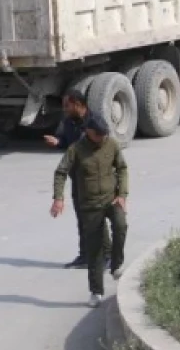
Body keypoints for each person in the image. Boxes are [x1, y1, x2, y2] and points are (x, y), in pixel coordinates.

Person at [50, 113, 128, 308]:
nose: (103, 138)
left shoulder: (111, 145)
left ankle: (116, 264)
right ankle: (96, 291)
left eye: (104, 134)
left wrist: (122, 194)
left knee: (121, 225)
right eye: (99, 135)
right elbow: (61, 172)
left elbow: (122, 168)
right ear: (89, 132)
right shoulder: (76, 149)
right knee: (94, 251)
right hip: (90, 206)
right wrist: (58, 198)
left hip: (111, 199)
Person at [43, 90, 90, 268]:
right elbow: (66, 141)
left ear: (78, 104)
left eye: (67, 105)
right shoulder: (68, 122)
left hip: (94, 177)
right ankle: (84, 255)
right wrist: (58, 142)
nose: (64, 109)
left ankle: (106, 255)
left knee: (95, 217)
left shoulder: (94, 122)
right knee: (81, 216)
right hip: (77, 175)